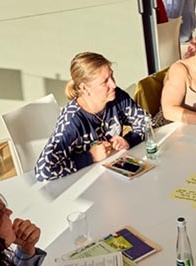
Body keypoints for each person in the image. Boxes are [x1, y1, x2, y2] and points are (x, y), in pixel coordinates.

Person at [35, 52, 147, 181]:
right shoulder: (72, 122)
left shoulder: (117, 97)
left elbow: (146, 122)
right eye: (105, 81)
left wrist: (128, 140)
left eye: (111, 76)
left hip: (115, 175)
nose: (113, 84)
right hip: (85, 182)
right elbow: (44, 171)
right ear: (84, 88)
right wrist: (90, 157)